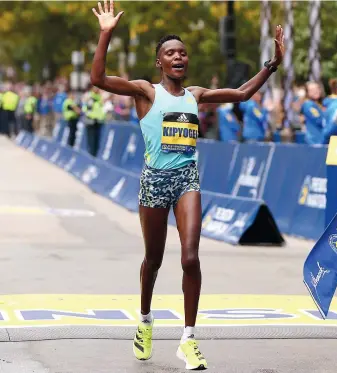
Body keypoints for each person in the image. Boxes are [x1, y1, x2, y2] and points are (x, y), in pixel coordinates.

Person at [90, 1, 284, 369]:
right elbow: (98, 80)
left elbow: (242, 94)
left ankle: (188, 338)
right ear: (159, 62)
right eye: (169, 53)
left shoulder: (195, 95)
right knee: (154, 259)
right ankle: (145, 319)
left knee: (191, 256)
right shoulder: (145, 92)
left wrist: (271, 65)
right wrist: (106, 34)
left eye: (182, 52)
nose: (178, 56)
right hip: (154, 182)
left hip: (186, 180)